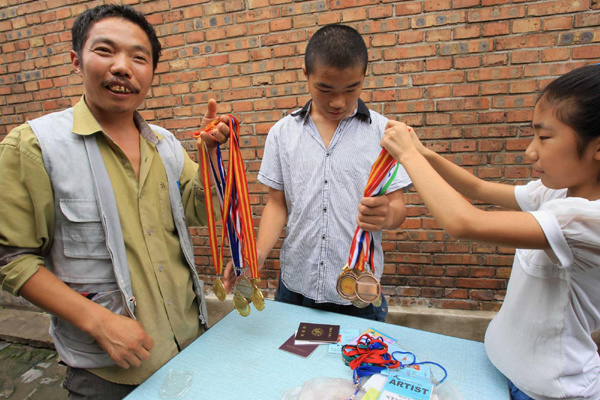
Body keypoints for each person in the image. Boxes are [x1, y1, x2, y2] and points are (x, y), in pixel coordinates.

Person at [0, 5, 230, 400]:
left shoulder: (166, 145)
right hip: (107, 374)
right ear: (77, 60)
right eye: (105, 51)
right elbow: (12, 258)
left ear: (151, 72)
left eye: (139, 57)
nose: (123, 67)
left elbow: (197, 209)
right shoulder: (35, 146)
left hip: (191, 347)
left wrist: (210, 158)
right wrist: (99, 322)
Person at [380, 64, 600, 400]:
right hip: (498, 369)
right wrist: (424, 152)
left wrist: (408, 156)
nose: (530, 151)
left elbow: (465, 222)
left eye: (544, 137)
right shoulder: (555, 193)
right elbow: (476, 187)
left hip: (547, 392)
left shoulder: (587, 219)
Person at [223, 24, 412, 321]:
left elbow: (399, 207)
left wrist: (387, 215)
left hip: (358, 292)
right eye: (325, 88)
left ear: (364, 77)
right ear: (306, 74)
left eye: (352, 88)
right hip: (295, 286)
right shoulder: (282, 133)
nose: (338, 101)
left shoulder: (385, 134)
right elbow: (277, 203)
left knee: (359, 366)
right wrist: (257, 255)